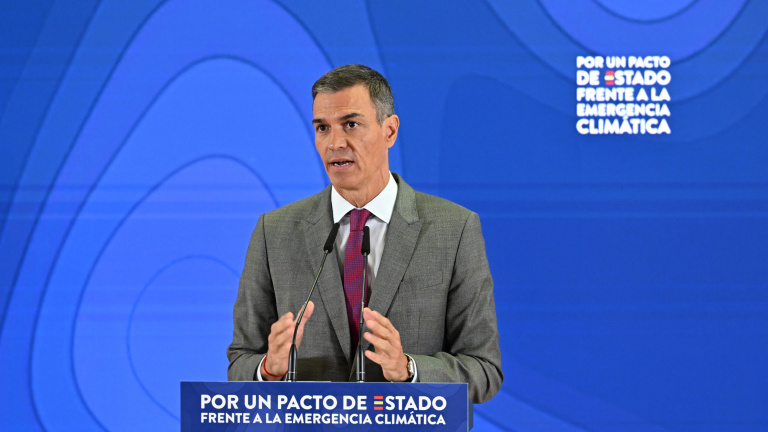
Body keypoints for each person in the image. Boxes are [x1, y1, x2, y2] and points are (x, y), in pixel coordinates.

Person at [227, 64, 502, 403]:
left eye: (351, 125)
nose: (334, 143)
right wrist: (269, 369)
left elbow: (484, 370)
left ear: (390, 131)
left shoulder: (454, 229)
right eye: (322, 128)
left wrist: (409, 370)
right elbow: (241, 361)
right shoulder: (275, 231)